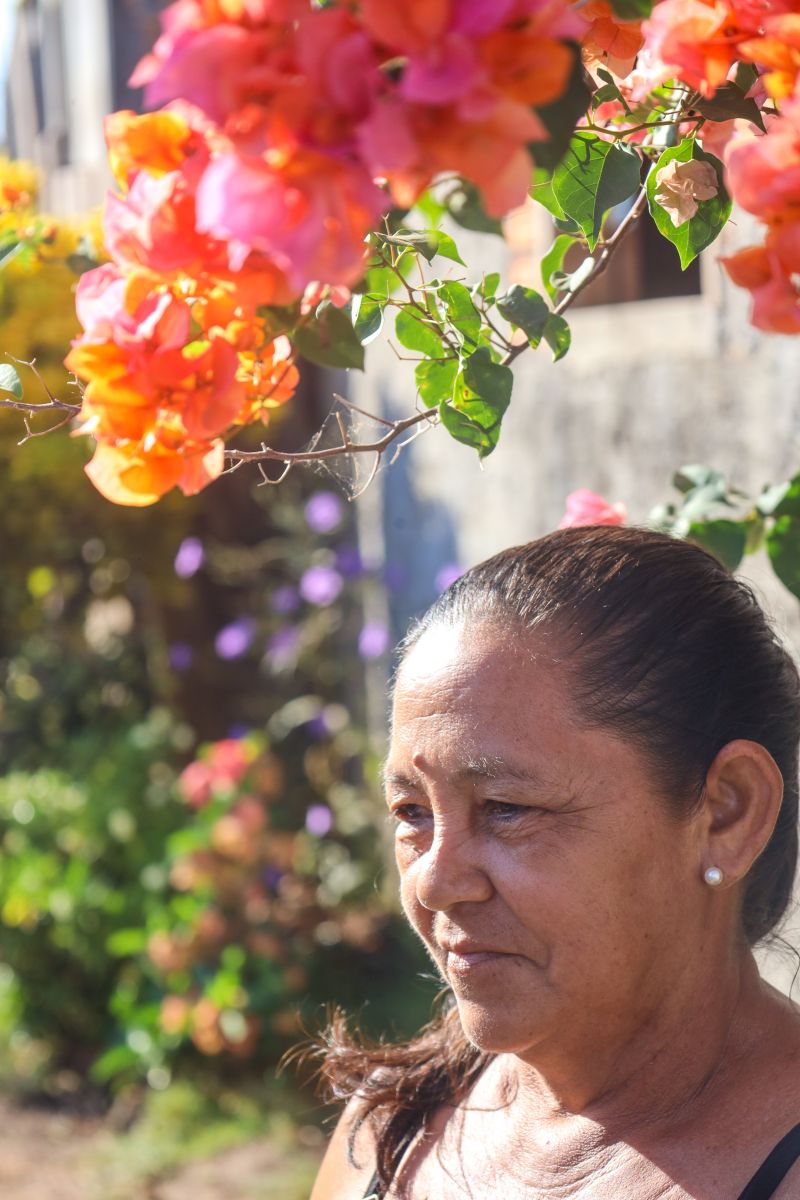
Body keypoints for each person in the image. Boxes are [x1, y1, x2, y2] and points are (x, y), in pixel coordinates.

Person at [310, 527, 800, 1200]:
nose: (435, 880)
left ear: (726, 813)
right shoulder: (393, 1134)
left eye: (507, 808)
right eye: (411, 813)